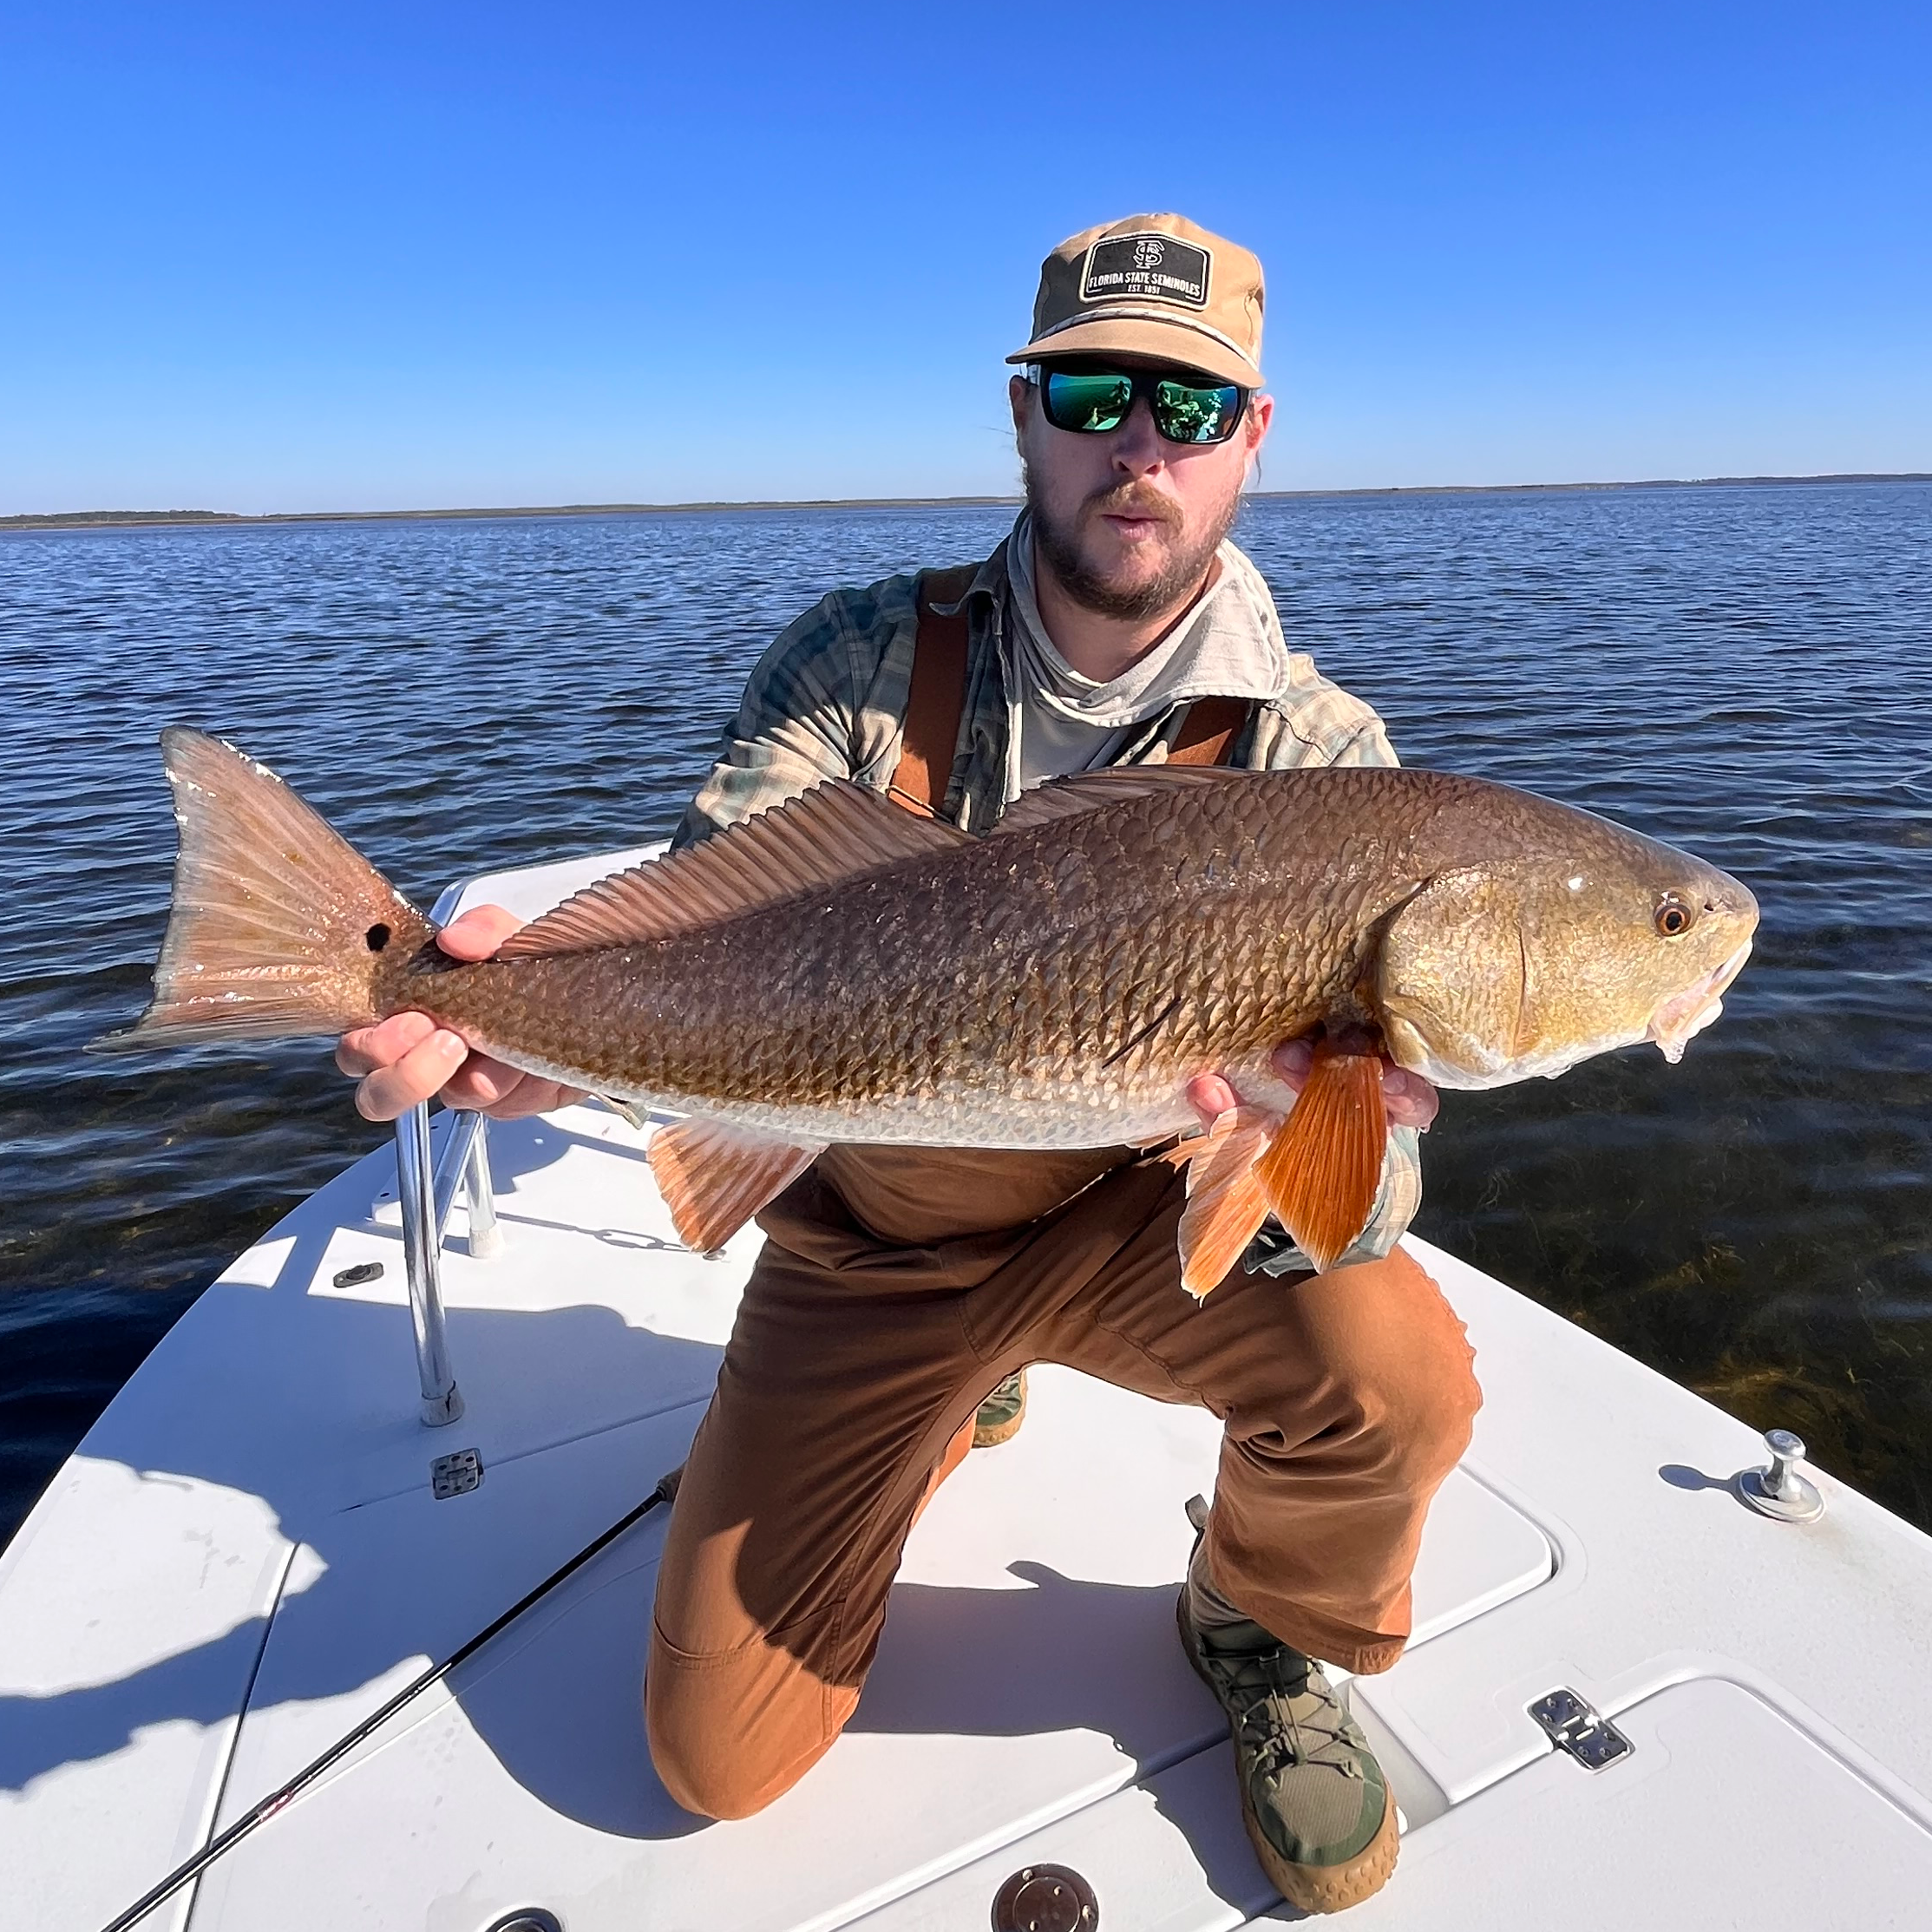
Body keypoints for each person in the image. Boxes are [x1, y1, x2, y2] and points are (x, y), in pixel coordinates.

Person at [337, 213, 1479, 1916]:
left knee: (1394, 1370)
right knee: (713, 1764)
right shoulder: (855, 666)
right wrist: (538, 1040)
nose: (1138, 443)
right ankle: (952, 1391)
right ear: (1024, 413)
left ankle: (1253, 1624)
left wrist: (1344, 1126)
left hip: (1122, 1231)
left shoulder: (1328, 764)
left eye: (1188, 402)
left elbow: (1357, 1208)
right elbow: (705, 947)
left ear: (1250, 438)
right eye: (1095, 391)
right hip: (868, 1242)